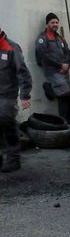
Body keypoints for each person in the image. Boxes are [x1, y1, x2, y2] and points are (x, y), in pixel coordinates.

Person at [0, 26, 32, 173]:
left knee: (6, 122)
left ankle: (13, 159)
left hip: (7, 94)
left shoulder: (12, 47)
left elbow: (22, 72)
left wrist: (25, 95)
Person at [35, 13, 70, 123]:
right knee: (64, 94)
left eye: (56, 22)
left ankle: (66, 119)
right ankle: (49, 89)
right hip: (52, 71)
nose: (55, 24)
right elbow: (43, 56)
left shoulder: (60, 38)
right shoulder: (42, 38)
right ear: (47, 23)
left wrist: (67, 64)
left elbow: (67, 52)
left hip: (64, 70)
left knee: (67, 94)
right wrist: (60, 65)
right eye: (52, 22)